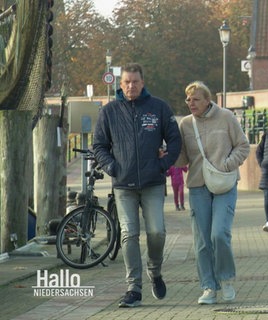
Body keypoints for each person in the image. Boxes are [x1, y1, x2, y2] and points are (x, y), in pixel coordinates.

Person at [93, 63, 181, 307]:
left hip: (153, 182)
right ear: (120, 85)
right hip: (124, 185)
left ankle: (155, 270)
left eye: (135, 82)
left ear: (143, 83)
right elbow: (99, 145)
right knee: (129, 234)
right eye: (126, 82)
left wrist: (165, 165)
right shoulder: (109, 112)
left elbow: (175, 139)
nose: (131, 86)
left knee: (156, 232)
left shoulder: (159, 108)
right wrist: (111, 166)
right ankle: (134, 288)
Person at [175, 81, 249, 305]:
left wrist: (227, 164)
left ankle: (226, 279)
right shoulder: (186, 125)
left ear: (207, 100)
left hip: (225, 184)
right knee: (202, 241)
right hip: (198, 186)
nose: (191, 103)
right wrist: (167, 153)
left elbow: (243, 146)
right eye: (188, 99)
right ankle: (208, 286)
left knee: (219, 234)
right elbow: (182, 159)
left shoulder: (226, 117)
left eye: (196, 99)